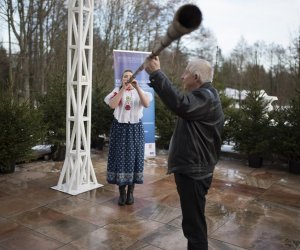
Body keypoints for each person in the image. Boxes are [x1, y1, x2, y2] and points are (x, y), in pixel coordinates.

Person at [144, 57, 224, 250]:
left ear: (196, 77)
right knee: (193, 223)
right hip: (193, 170)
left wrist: (156, 73)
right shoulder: (203, 97)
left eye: (186, 72)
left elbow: (180, 103)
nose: (182, 76)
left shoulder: (206, 97)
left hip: (194, 173)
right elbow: (182, 104)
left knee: (194, 227)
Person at [104, 69, 153, 206]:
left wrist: (136, 87)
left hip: (135, 128)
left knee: (134, 158)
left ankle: (131, 192)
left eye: (130, 76)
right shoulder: (116, 91)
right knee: (119, 157)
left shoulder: (140, 92)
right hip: (119, 128)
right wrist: (122, 89)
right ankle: (122, 192)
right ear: (122, 79)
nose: (128, 78)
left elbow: (146, 104)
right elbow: (112, 105)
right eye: (125, 76)